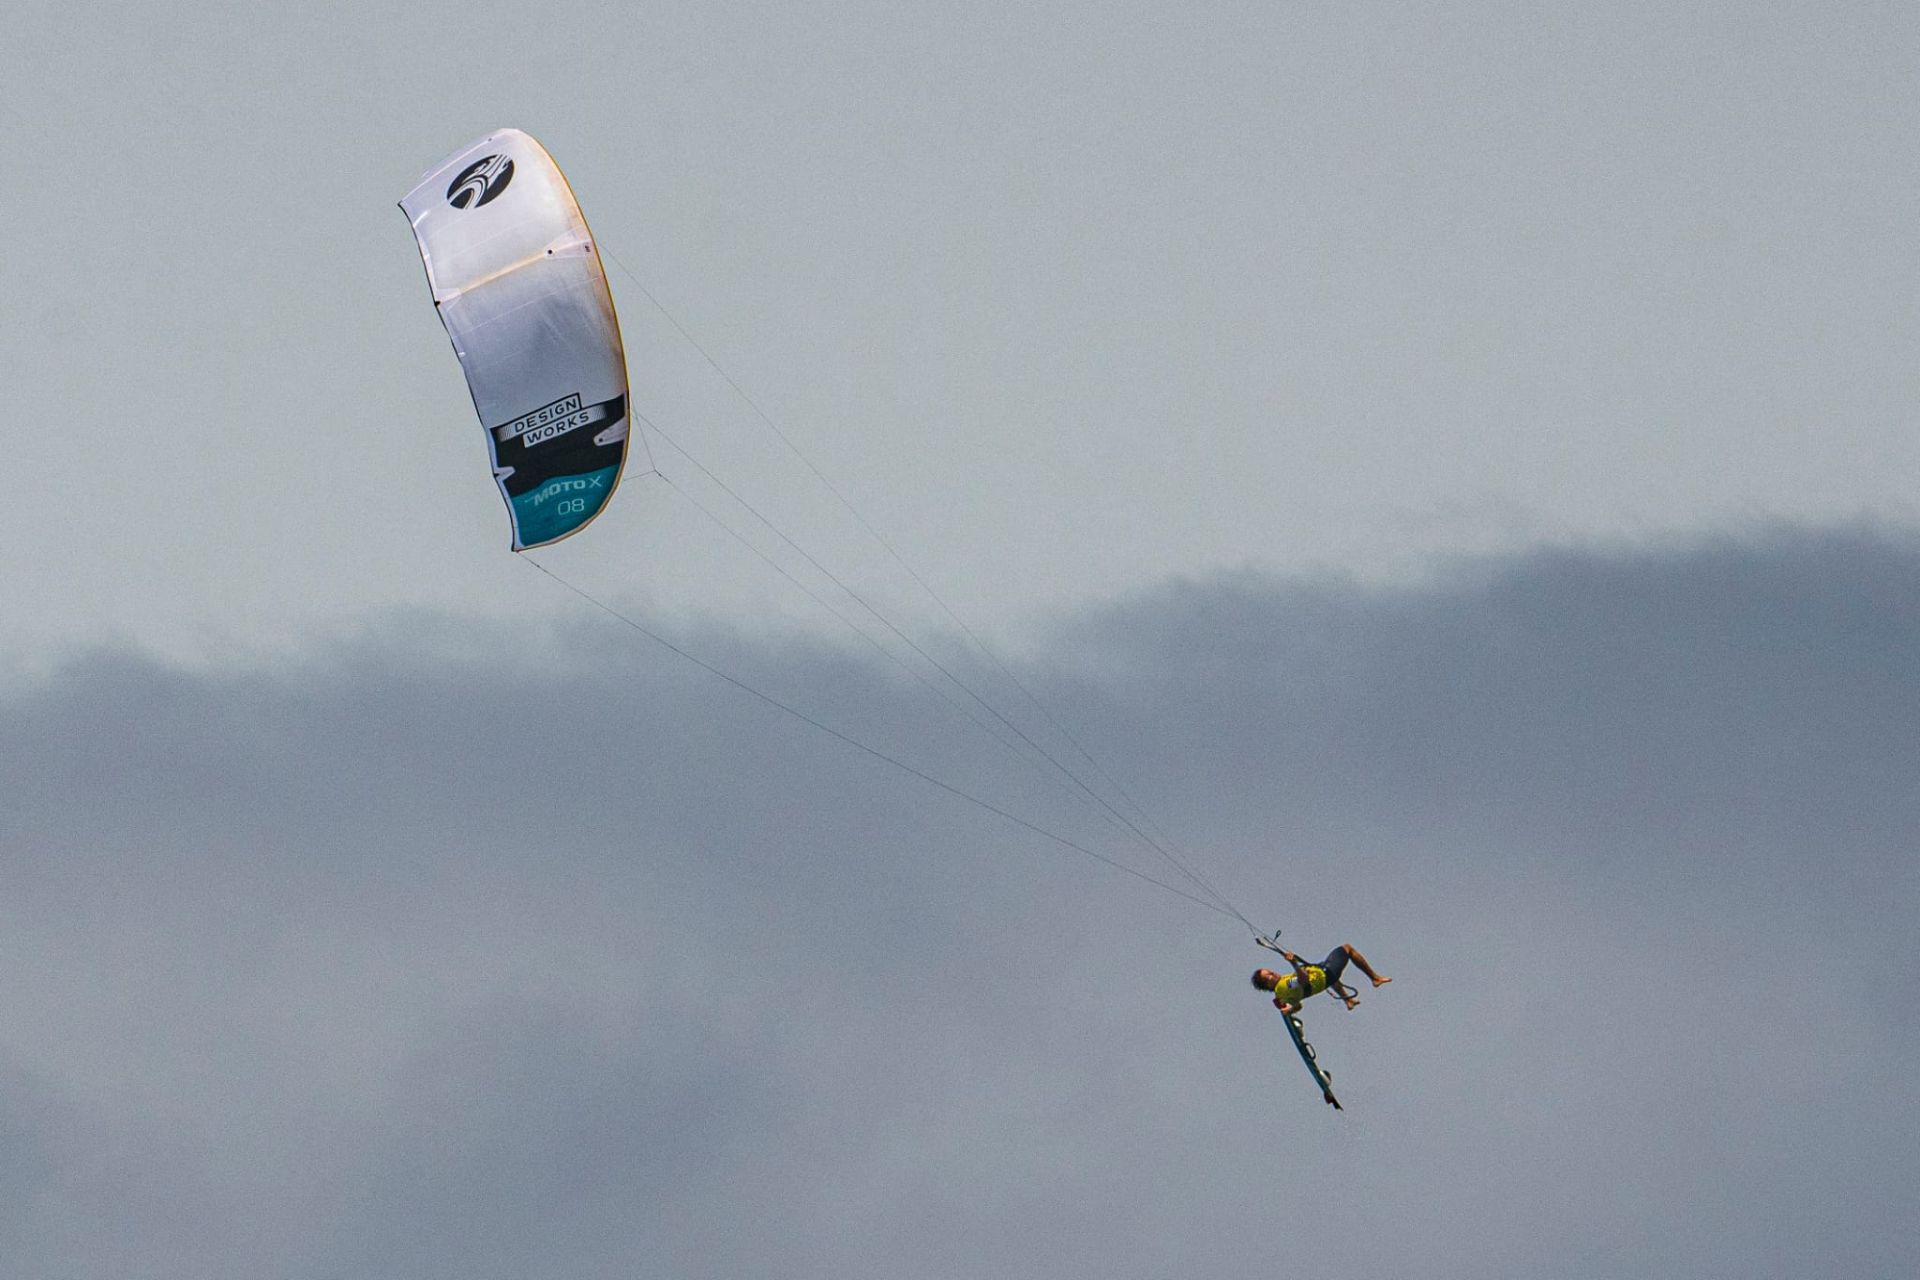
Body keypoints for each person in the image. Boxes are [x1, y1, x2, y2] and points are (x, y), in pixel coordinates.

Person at [1252, 945, 1391, 1014]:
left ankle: (1348, 1000)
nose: (1273, 973)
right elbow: (1303, 980)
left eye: (1270, 972)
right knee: (1347, 948)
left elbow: (1298, 1006)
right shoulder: (1284, 984)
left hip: (1324, 977)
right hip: (1326, 974)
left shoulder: (1282, 994)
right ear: (1268, 984)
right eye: (1269, 976)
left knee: (1330, 977)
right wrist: (1293, 963)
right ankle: (1375, 978)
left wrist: (1290, 1010)